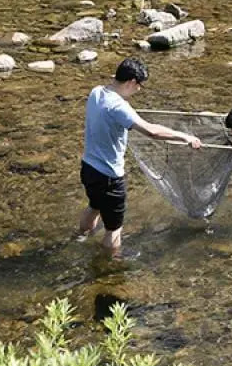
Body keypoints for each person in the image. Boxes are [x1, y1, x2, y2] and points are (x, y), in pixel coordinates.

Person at [79, 58, 202, 253]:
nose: (138, 90)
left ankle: (80, 238)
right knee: (114, 229)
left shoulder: (96, 91)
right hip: (109, 177)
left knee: (94, 206)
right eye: (139, 86)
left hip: (88, 168)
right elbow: (152, 131)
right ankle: (109, 264)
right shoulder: (119, 107)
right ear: (131, 82)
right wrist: (185, 137)